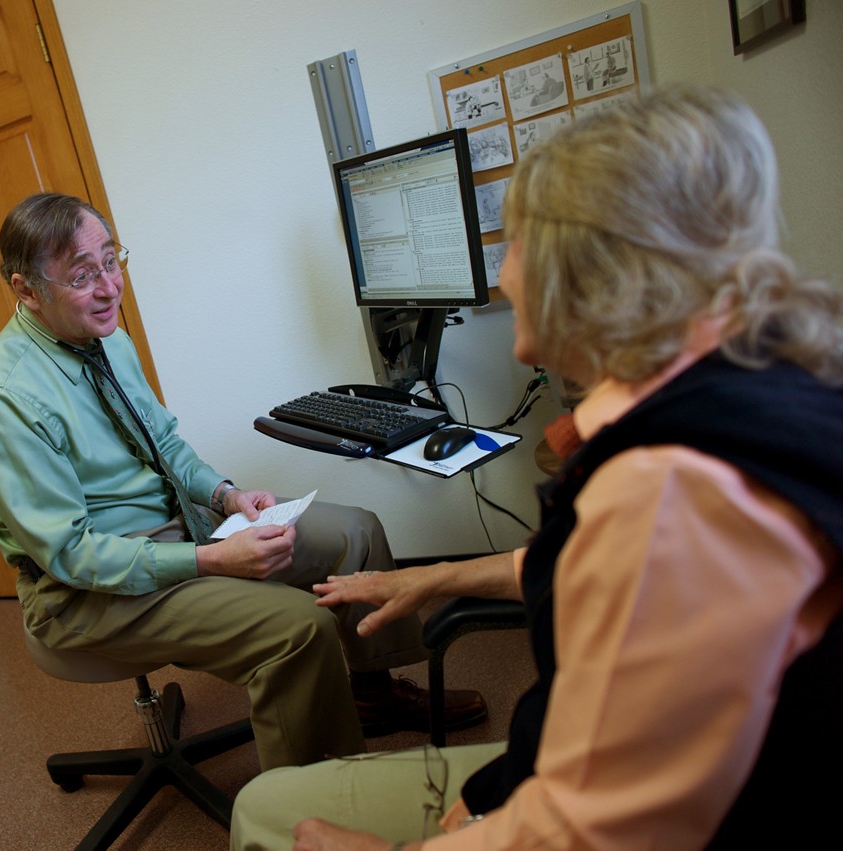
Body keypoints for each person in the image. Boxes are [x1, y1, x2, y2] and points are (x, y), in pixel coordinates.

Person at [230, 84, 843, 849]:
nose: (504, 274)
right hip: (594, 771)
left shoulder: (668, 490)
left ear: (586, 266)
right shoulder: (763, 389)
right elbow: (607, 570)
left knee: (267, 811)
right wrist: (435, 575)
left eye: (513, 242)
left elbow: (584, 834)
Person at [0, 192, 487, 772]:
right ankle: (311, 810)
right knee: (298, 629)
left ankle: (373, 694)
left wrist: (224, 495)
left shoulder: (105, 338)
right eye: (82, 275)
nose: (108, 287)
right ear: (26, 290)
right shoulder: (0, 399)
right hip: (87, 593)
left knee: (354, 532)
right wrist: (213, 561)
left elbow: (167, 445)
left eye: (111, 261)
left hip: (183, 529)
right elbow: (72, 556)